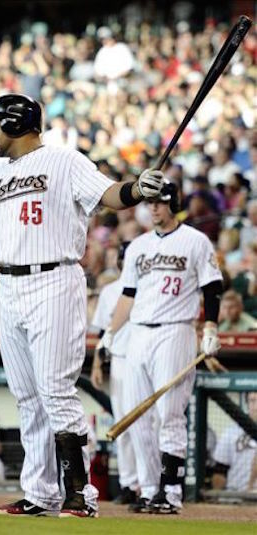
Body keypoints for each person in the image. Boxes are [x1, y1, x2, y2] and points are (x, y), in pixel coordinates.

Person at [0, 93, 166, 517]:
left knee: (55, 389)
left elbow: (110, 194)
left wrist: (136, 189)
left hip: (54, 277)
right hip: (9, 286)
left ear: (17, 124)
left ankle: (80, 494)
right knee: (26, 395)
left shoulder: (64, 161)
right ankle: (40, 493)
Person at [101, 189, 224, 514]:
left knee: (169, 413)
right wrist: (111, 331)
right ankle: (149, 489)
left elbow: (212, 285)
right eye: (150, 202)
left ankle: (170, 493)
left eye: (160, 202)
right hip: (139, 333)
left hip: (175, 329)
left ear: (174, 204)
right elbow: (127, 293)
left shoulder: (195, 240)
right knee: (137, 417)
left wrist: (210, 326)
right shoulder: (139, 246)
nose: (154, 207)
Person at [89, 242, 140, 505]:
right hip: (119, 360)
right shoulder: (110, 291)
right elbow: (101, 332)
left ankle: (152, 484)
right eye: (122, 258)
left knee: (148, 424)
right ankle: (129, 484)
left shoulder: (148, 287)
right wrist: (98, 363)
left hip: (144, 361)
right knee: (123, 425)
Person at [212, 392, 257, 492]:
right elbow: (220, 470)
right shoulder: (231, 432)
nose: (256, 406)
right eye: (252, 401)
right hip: (235, 496)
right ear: (247, 404)